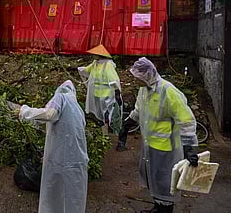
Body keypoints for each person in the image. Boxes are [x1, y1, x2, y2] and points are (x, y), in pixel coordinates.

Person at [117, 57, 199, 213]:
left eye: (137, 78)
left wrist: (188, 148)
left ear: (147, 75)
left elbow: (186, 120)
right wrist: (127, 124)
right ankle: (157, 206)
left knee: (165, 182)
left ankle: (166, 210)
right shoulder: (144, 89)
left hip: (166, 148)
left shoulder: (168, 91)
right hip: (150, 144)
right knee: (152, 178)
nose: (135, 81)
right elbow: (138, 110)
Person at [14, 80, 88, 213]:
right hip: (76, 159)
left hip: (60, 158)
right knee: (72, 194)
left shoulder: (61, 97)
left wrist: (24, 111)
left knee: (55, 191)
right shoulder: (77, 108)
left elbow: (50, 114)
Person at [77, 44, 123, 134]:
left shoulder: (108, 65)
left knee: (107, 115)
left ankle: (109, 133)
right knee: (100, 116)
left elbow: (114, 80)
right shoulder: (95, 64)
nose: (93, 55)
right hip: (96, 94)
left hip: (107, 95)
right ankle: (104, 133)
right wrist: (79, 69)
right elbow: (86, 70)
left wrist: (117, 92)